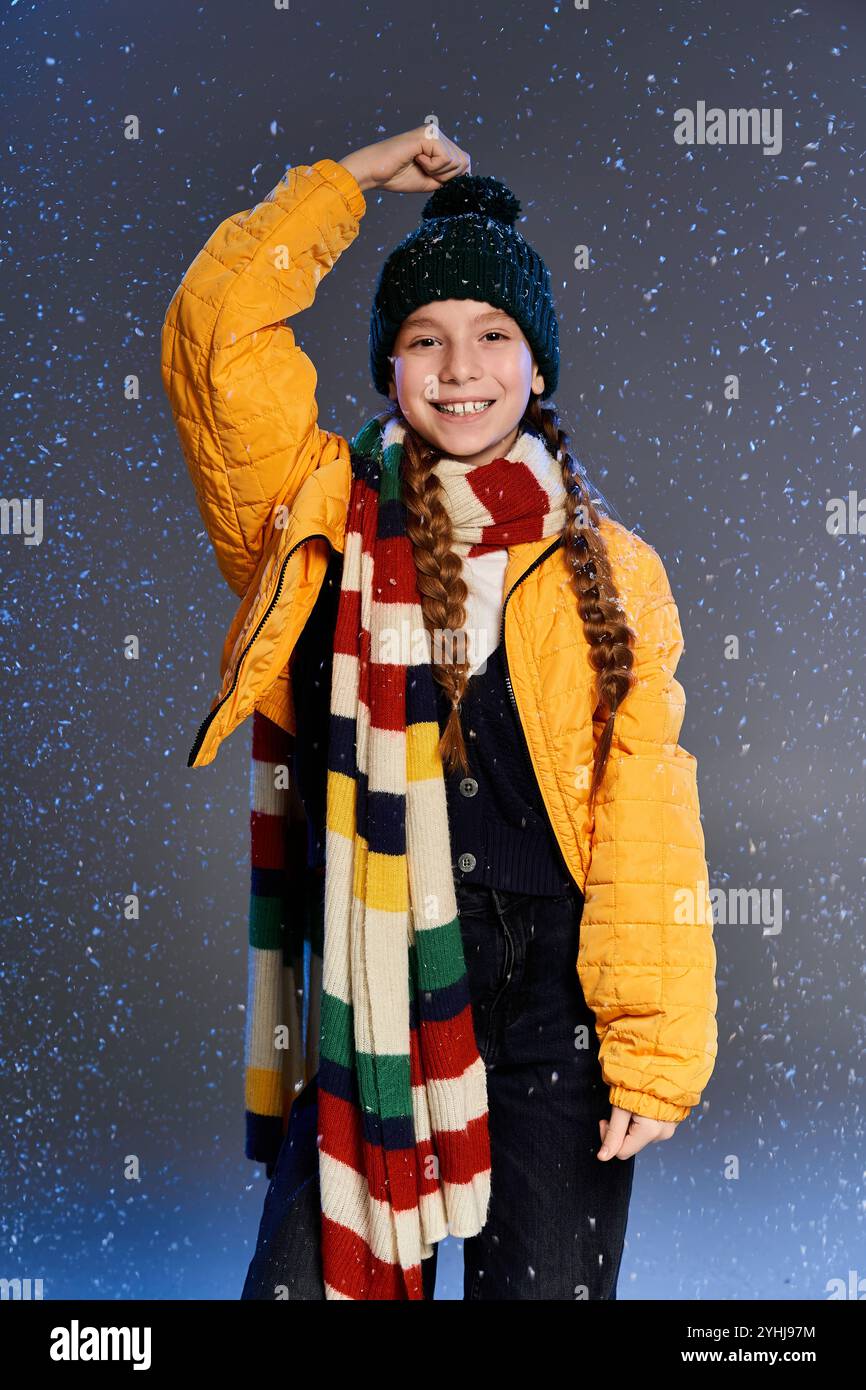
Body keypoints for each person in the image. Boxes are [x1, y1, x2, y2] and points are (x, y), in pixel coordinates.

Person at [160, 125, 718, 1301]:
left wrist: (653, 1055)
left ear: (537, 363)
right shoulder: (318, 516)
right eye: (425, 339)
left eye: (492, 336)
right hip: (383, 986)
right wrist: (348, 181)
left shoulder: (613, 567)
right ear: (388, 365)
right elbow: (214, 336)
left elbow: (647, 819)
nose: (460, 367)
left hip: (553, 1009)